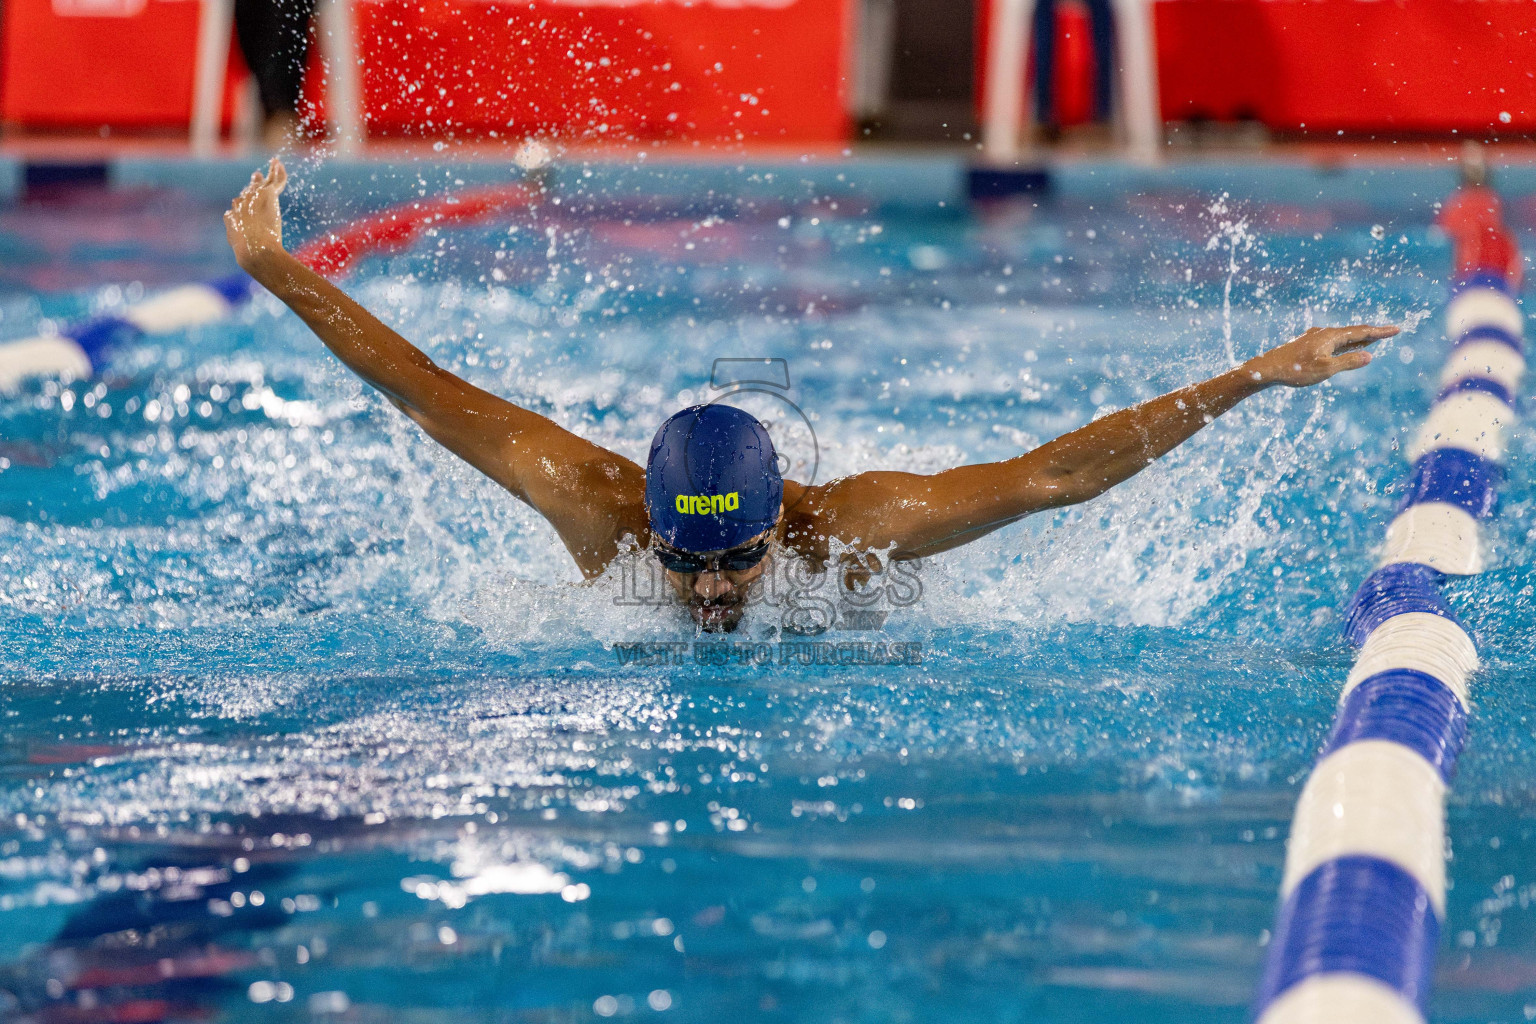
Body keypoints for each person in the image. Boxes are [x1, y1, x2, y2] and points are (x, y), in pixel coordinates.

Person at [224, 158, 1397, 632]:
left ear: (780, 517)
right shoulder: (593, 506)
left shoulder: (853, 534)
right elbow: (425, 390)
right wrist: (279, 271)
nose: (711, 591)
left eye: (733, 558)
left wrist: (1252, 375)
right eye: (687, 565)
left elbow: (1054, 475)